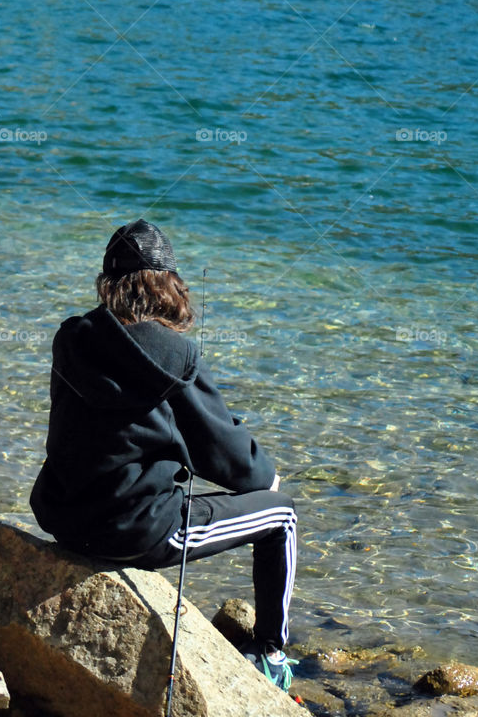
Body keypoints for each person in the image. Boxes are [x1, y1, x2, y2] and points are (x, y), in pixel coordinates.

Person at [30, 219, 299, 692]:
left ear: (108, 283)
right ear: (168, 284)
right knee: (282, 517)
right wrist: (268, 479)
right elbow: (225, 455)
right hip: (138, 532)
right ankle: (272, 654)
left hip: (65, 518)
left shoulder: (71, 339)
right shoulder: (177, 356)